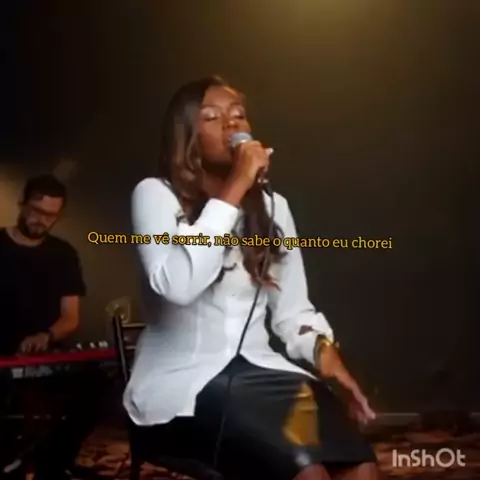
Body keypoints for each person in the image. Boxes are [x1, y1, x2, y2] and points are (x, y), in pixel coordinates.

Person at [124, 76, 382, 480]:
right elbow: (178, 285)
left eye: (238, 115)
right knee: (306, 471)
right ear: (187, 135)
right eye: (212, 117)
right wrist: (237, 184)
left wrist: (330, 360)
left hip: (265, 372)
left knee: (359, 465)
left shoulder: (274, 207)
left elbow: (293, 311)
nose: (231, 124)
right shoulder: (155, 194)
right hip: (184, 385)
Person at [0, 175, 103, 480]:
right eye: (36, 211)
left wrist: (46, 336)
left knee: (95, 386)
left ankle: (53, 463)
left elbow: (70, 317)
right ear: (22, 204)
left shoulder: (63, 254)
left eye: (50, 215)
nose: (41, 220)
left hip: (43, 352)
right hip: (2, 353)